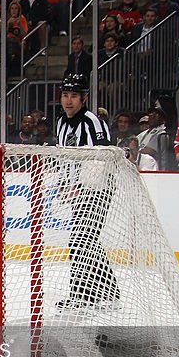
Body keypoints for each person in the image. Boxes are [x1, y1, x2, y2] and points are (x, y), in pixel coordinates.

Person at [54, 73, 118, 309]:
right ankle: (109, 291)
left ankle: (82, 294)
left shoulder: (93, 121)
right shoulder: (60, 121)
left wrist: (83, 184)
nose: (68, 101)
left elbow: (104, 155)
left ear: (83, 99)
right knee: (88, 239)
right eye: (65, 95)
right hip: (79, 189)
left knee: (80, 238)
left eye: (73, 96)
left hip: (98, 187)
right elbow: (64, 156)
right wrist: (65, 182)